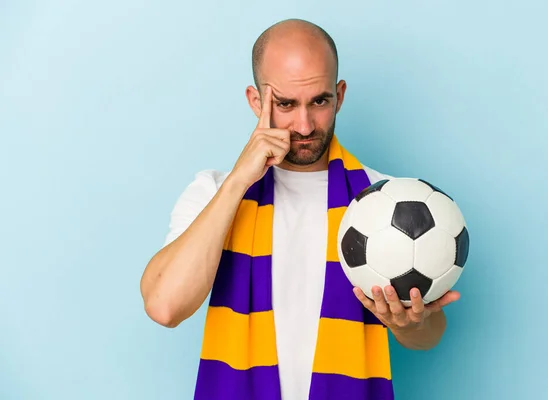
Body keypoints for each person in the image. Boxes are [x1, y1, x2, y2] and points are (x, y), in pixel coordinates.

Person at [140, 18, 460, 400]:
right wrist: (238, 182)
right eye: (286, 104)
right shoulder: (213, 192)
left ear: (339, 95)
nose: (305, 125)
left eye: (320, 101)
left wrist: (409, 324)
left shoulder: (383, 200)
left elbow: (427, 336)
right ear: (256, 101)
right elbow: (164, 306)